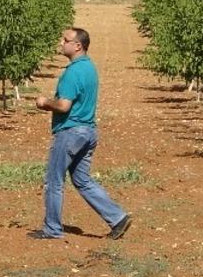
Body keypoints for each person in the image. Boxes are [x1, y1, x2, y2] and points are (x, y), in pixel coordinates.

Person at [29, 27, 131, 241]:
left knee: (54, 181)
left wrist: (44, 102)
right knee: (82, 180)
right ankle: (118, 217)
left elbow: (64, 106)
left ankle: (52, 229)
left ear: (77, 45)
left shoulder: (73, 72)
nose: (61, 43)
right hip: (88, 131)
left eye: (65, 40)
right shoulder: (90, 69)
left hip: (70, 132)